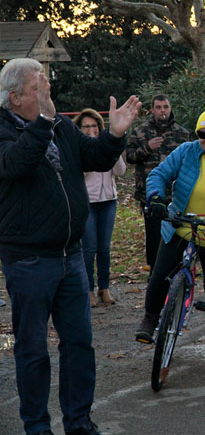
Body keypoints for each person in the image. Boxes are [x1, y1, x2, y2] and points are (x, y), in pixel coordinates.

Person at [0, 58, 140, 435]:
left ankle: (79, 422)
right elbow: (17, 165)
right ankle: (37, 427)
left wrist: (113, 136)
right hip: (29, 259)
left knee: (79, 344)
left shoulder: (60, 125)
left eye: (46, 85)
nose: (47, 92)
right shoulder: (5, 130)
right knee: (32, 350)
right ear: (14, 98)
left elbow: (94, 158)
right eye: (38, 88)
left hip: (72, 255)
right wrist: (44, 123)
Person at [135, 99, 205, 372]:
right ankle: (150, 320)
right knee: (159, 273)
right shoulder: (187, 152)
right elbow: (159, 174)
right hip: (182, 226)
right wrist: (155, 198)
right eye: (202, 134)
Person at [125, 94, 191, 272]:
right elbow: (129, 157)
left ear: (170, 108)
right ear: (152, 110)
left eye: (166, 107)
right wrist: (147, 147)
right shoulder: (140, 132)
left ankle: (178, 270)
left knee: (178, 234)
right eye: (159, 107)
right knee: (154, 235)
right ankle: (154, 270)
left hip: (176, 195)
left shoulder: (182, 134)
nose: (163, 111)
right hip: (150, 194)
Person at [74, 109, 127, 308]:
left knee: (104, 248)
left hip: (108, 200)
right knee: (89, 248)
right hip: (88, 202)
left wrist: (111, 149)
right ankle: (88, 289)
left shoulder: (105, 144)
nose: (90, 130)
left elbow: (121, 172)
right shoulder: (79, 147)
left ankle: (104, 288)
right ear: (80, 129)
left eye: (94, 126)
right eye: (86, 126)